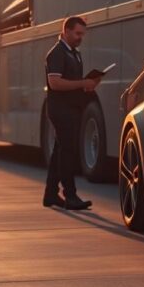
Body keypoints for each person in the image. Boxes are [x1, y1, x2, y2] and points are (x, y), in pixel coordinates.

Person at [43, 16, 100, 210]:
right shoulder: (57, 53)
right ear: (66, 31)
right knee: (68, 152)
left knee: (60, 152)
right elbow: (55, 83)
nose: (80, 37)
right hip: (61, 110)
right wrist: (82, 83)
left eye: (82, 34)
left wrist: (88, 84)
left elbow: (71, 81)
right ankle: (71, 195)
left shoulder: (75, 53)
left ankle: (50, 194)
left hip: (71, 108)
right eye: (77, 33)